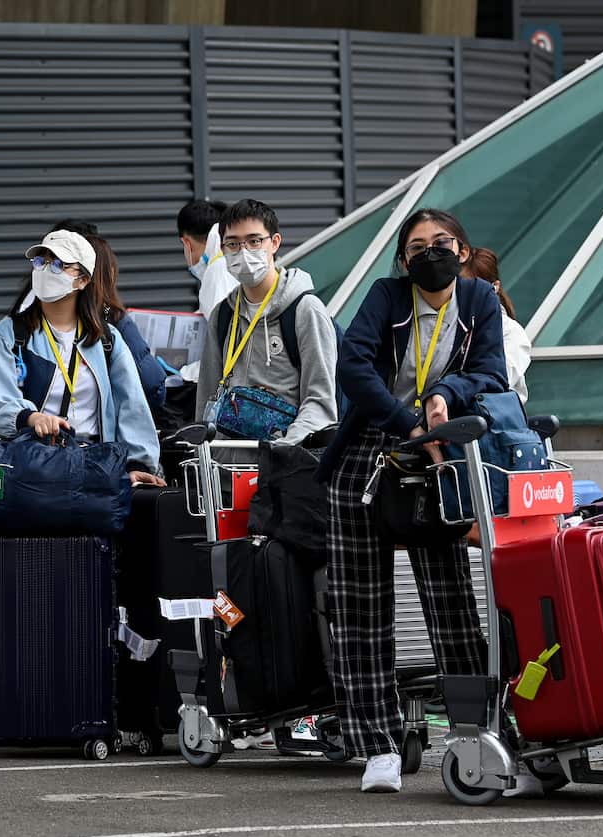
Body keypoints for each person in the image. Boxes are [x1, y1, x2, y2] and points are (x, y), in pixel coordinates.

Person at [317, 208, 506, 794]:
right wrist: (407, 425)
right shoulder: (386, 295)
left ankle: (475, 731)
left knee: (450, 597)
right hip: (372, 449)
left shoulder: (479, 301)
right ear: (403, 259)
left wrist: (447, 394)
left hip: (441, 457)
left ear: (463, 247)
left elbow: (492, 371)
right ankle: (376, 746)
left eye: (441, 242)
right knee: (360, 607)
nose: (430, 253)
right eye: (417, 246)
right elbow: (353, 365)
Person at [0, 229, 165, 484]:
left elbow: (131, 406)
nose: (44, 270)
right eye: (40, 261)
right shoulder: (10, 334)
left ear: (83, 280)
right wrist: (31, 417)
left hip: (96, 468)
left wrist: (137, 464)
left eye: (57, 264)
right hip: (32, 470)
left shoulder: (106, 339)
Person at [195, 199, 339, 446]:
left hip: (283, 464)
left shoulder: (304, 310)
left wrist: (283, 449)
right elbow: (206, 400)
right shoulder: (223, 315)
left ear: (274, 243)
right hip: (227, 470)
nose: (243, 252)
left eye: (254, 241)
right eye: (233, 244)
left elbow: (320, 402)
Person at [463, 248, 529, 403]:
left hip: (490, 421)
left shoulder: (511, 332)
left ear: (495, 287)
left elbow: (498, 381)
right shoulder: (447, 324)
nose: (464, 294)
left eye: (474, 287)